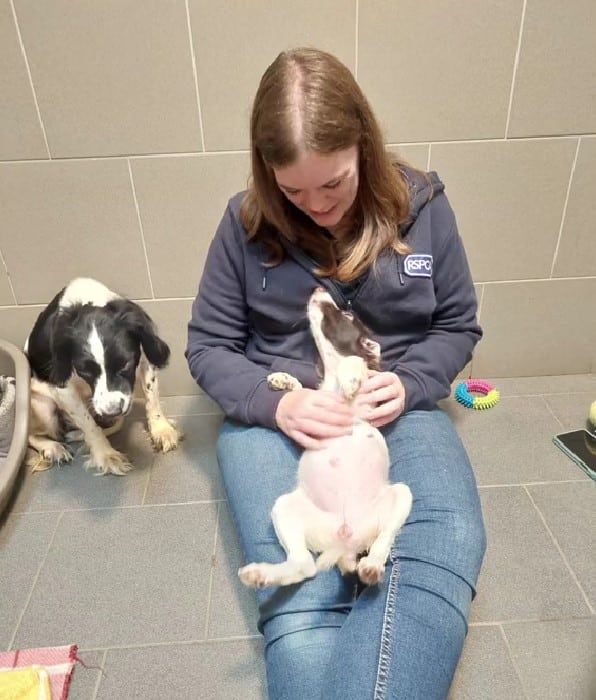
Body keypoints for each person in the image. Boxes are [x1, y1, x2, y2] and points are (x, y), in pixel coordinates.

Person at [186, 47, 486, 700]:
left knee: (445, 541)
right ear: (267, 174)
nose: (317, 206)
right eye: (293, 190)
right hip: (280, 416)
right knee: (303, 592)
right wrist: (275, 409)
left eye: (335, 183)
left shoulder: (424, 206)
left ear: (365, 150)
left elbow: (459, 326)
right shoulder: (243, 223)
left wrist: (410, 383)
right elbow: (208, 347)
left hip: (391, 410)